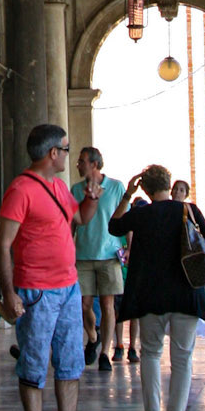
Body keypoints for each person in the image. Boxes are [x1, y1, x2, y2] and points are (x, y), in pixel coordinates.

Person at [0, 123, 105, 411]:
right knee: (33, 362)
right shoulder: (21, 189)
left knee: (70, 362)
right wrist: (9, 292)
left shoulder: (59, 187)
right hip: (36, 290)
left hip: (68, 287)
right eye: (66, 149)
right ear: (52, 153)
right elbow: (3, 244)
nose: (69, 156)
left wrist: (90, 199)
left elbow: (80, 219)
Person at [109, 166, 205, 411]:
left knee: (151, 354)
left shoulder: (141, 213)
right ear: (170, 184)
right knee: (182, 359)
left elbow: (114, 226)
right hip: (186, 294)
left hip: (151, 295)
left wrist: (126, 196)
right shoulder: (188, 210)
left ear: (145, 189)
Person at [71, 147, 127, 369]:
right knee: (83, 305)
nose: (78, 164)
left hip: (108, 254)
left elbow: (125, 219)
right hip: (83, 255)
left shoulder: (115, 187)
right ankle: (93, 338)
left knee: (107, 304)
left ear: (94, 164)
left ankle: (105, 352)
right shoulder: (76, 190)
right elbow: (72, 223)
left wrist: (129, 246)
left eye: (81, 161)